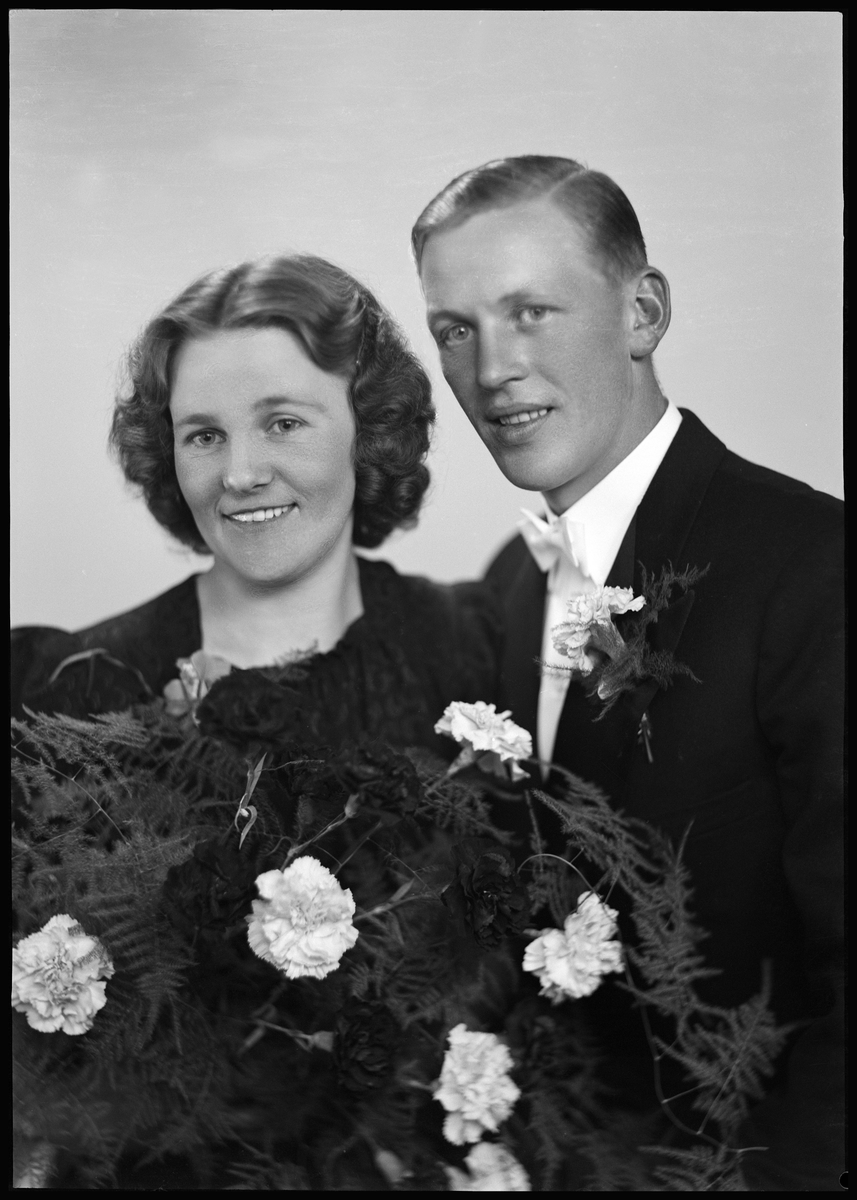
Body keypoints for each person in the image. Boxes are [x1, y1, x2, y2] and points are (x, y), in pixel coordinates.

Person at [412, 155, 844, 1191]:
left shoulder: (811, 566)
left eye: (530, 312)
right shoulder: (512, 584)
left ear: (642, 313)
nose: (491, 369)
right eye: (455, 330)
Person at [11, 253, 500, 746]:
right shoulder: (73, 690)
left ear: (371, 430)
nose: (240, 475)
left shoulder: (473, 646)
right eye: (204, 436)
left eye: (284, 424)